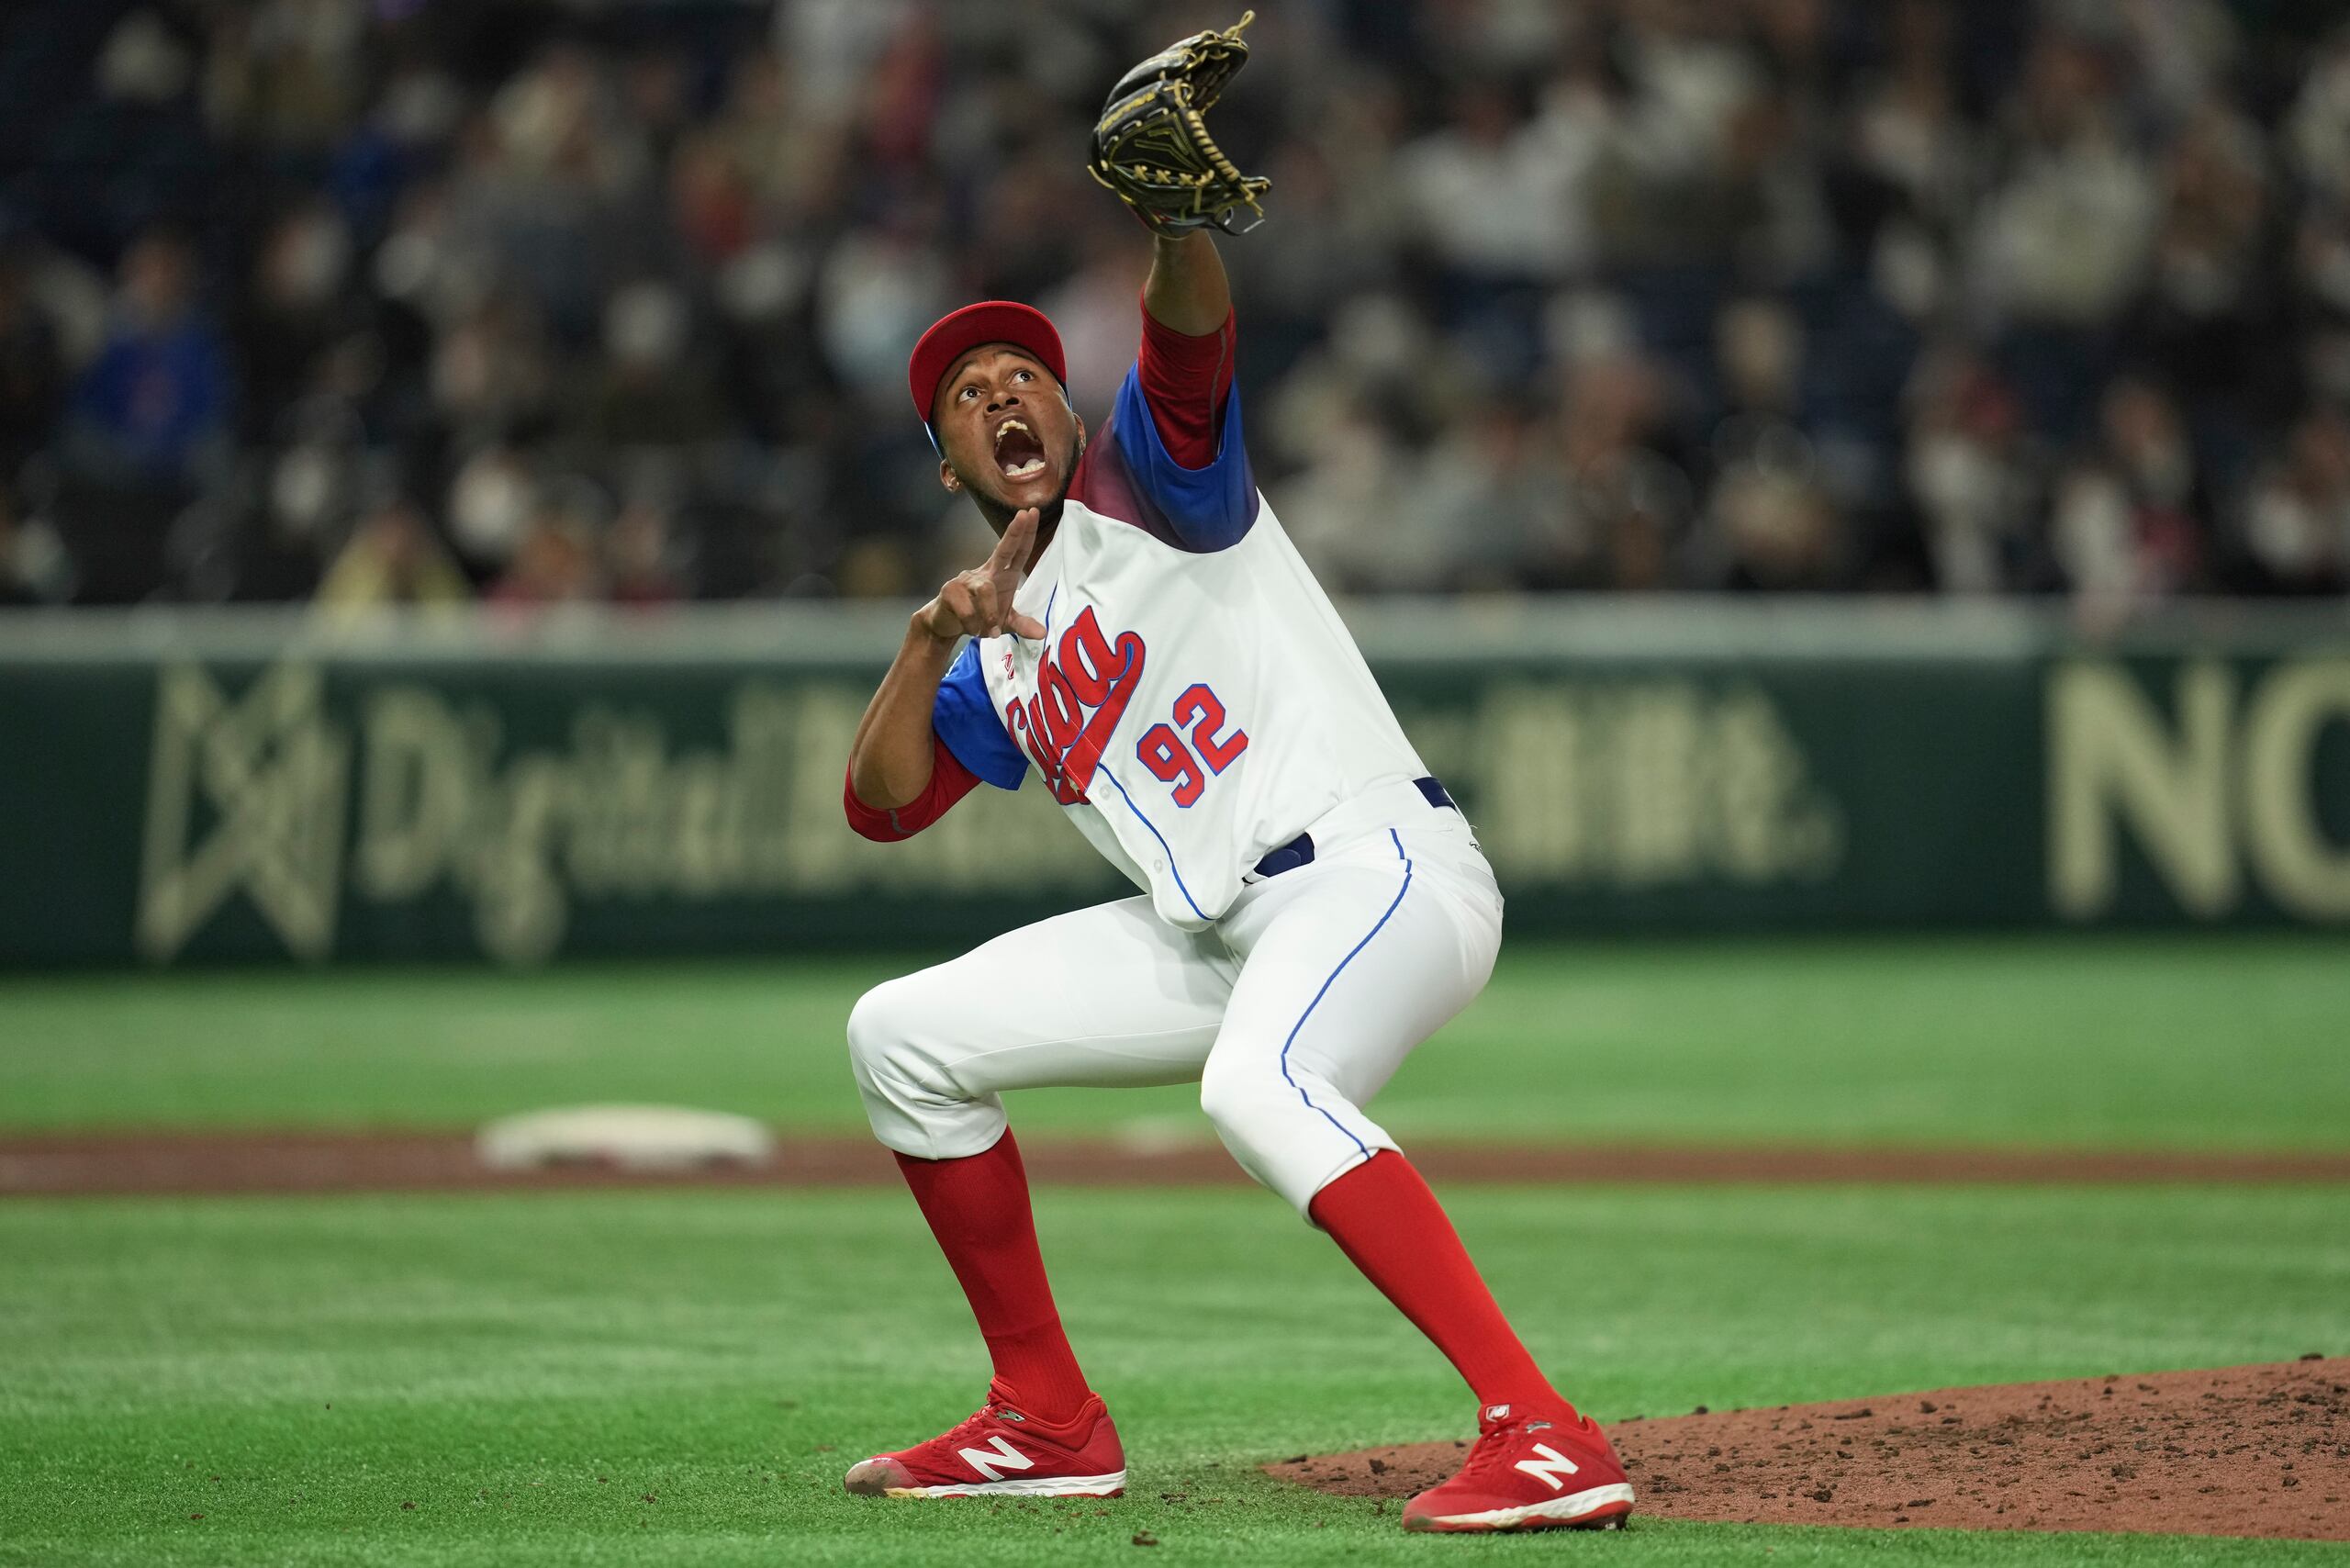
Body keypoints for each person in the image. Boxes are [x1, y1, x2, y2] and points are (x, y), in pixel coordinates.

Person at [837, 216, 1633, 1534]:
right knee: (899, 1038)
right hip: (1222, 931)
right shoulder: (996, 649)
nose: (1002, 399)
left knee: (1259, 1084)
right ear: (947, 466)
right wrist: (928, 641)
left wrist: (1175, 223)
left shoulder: (1150, 481)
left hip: (1377, 867)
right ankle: (1045, 1419)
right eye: (968, 397)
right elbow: (884, 807)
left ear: (1071, 408)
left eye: (1025, 377)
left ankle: (1543, 1432)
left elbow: (1190, 331)